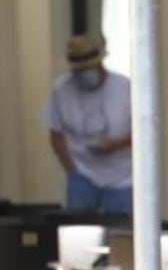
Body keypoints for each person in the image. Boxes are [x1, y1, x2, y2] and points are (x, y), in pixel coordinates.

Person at [44, 34, 133, 213]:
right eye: (79, 71)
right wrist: (72, 171)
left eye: (88, 68)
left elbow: (144, 133)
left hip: (122, 179)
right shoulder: (62, 90)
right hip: (82, 176)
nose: (84, 75)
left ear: (100, 64)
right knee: (76, 233)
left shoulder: (125, 88)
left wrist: (117, 144)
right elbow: (55, 135)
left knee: (121, 234)